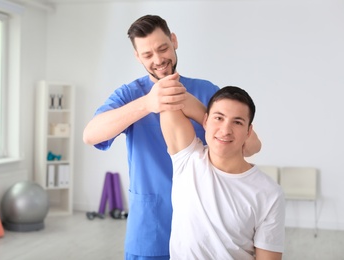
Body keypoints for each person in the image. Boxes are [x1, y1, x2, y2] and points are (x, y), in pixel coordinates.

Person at [83, 15, 261, 259]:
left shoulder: (207, 91)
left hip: (204, 231)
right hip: (150, 230)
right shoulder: (129, 94)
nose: (158, 60)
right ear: (137, 57)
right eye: (147, 55)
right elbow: (90, 135)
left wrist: (200, 112)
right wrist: (148, 103)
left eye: (163, 48)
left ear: (174, 41)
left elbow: (251, 147)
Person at [160, 84, 285, 260]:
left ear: (249, 131)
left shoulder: (269, 193)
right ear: (205, 121)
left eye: (237, 122)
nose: (226, 130)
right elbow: (168, 97)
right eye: (219, 118)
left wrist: (216, 119)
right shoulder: (187, 160)